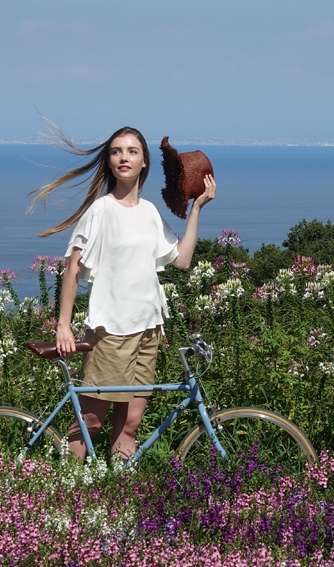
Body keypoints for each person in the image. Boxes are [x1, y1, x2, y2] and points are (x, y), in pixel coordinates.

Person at [30, 125, 215, 462]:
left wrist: (197, 208)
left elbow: (183, 260)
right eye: (116, 152)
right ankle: (63, 490)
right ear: (110, 162)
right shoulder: (101, 210)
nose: (124, 157)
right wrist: (64, 325)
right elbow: (72, 268)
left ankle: (116, 495)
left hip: (148, 330)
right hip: (111, 331)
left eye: (132, 151)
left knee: (129, 425)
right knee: (90, 422)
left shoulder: (149, 213)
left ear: (144, 162)